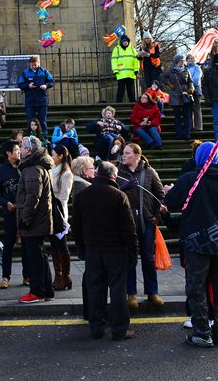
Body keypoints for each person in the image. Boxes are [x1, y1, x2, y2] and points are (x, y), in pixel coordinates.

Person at [164, 141, 218, 347]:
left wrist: (168, 191)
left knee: (196, 286)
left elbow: (171, 202)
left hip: (196, 242)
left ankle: (201, 331)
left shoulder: (190, 180)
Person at [72, 160, 138, 341]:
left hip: (93, 250)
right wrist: (133, 251)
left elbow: (76, 226)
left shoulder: (82, 196)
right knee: (117, 290)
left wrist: (81, 248)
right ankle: (119, 329)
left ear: (97, 173)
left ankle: (97, 327)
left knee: (95, 289)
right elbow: (128, 229)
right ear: (113, 176)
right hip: (115, 250)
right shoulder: (118, 196)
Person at [116, 142, 165, 309]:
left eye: (128, 153)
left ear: (137, 156)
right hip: (125, 223)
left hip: (146, 222)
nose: (124, 155)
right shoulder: (117, 172)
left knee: (148, 258)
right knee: (129, 260)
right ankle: (131, 294)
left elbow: (160, 195)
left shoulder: (149, 172)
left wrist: (156, 217)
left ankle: (152, 292)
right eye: (123, 153)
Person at [16, 136, 54, 304]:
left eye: (22, 147)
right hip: (40, 221)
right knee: (41, 255)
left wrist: (25, 218)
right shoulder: (38, 167)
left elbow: (32, 197)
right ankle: (46, 289)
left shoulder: (31, 169)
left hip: (34, 222)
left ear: (29, 150)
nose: (20, 149)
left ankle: (37, 291)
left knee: (35, 258)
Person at [0, 141, 22, 290]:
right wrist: (6, 203)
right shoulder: (1, 171)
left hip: (25, 213)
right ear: (8, 153)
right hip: (10, 213)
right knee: (8, 245)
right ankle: (6, 276)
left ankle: (27, 275)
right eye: (16, 150)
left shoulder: (24, 167)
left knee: (27, 246)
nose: (19, 152)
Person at [50, 144, 74, 291]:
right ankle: (58, 276)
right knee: (54, 244)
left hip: (59, 213)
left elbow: (64, 197)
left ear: (60, 156)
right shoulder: (53, 170)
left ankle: (65, 276)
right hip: (51, 212)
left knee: (61, 244)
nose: (52, 157)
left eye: (53, 154)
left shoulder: (66, 173)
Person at [18, 55, 54, 135]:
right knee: (30, 120)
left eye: (35, 65)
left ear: (38, 63)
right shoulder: (25, 73)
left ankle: (44, 139)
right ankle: (30, 138)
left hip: (42, 101)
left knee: (42, 120)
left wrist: (46, 85)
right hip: (30, 101)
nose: (34, 66)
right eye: (32, 65)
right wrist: (28, 85)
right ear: (29, 64)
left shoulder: (44, 71)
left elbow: (52, 82)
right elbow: (20, 84)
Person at [111, 34, 140, 103]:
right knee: (121, 89)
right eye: (124, 41)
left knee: (131, 90)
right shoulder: (117, 49)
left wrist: (136, 69)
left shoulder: (132, 49)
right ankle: (118, 102)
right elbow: (114, 60)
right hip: (121, 74)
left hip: (130, 73)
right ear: (121, 42)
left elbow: (136, 59)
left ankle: (132, 102)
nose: (125, 42)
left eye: (127, 41)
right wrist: (115, 70)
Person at [185, 54, 203, 131]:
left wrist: (190, 85)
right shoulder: (184, 68)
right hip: (187, 91)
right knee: (188, 110)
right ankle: (190, 126)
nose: (191, 60)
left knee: (197, 109)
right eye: (189, 58)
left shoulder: (197, 68)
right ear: (187, 60)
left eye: (192, 58)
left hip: (196, 91)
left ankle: (198, 127)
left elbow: (196, 78)